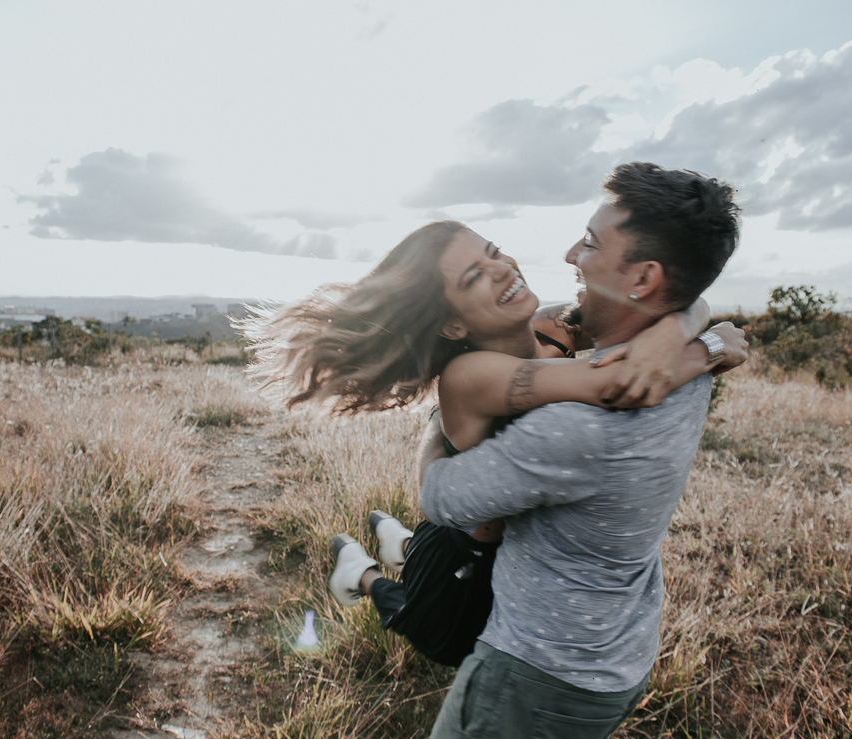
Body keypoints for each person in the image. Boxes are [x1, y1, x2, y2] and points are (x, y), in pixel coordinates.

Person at [246, 178, 745, 667]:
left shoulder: (552, 326)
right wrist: (702, 345)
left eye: (494, 251)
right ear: (453, 325)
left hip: (516, 553)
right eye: (473, 277)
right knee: (437, 638)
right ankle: (360, 572)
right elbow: (615, 382)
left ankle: (399, 542)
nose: (503, 269)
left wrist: (685, 319)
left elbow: (662, 299)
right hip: (465, 555)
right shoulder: (470, 375)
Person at [412, 162, 742, 739]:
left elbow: (441, 499)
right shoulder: (684, 366)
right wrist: (686, 329)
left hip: (536, 671)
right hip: (613, 650)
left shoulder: (574, 430)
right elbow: (711, 322)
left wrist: (438, 419)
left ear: (645, 278)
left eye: (591, 243)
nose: (570, 254)